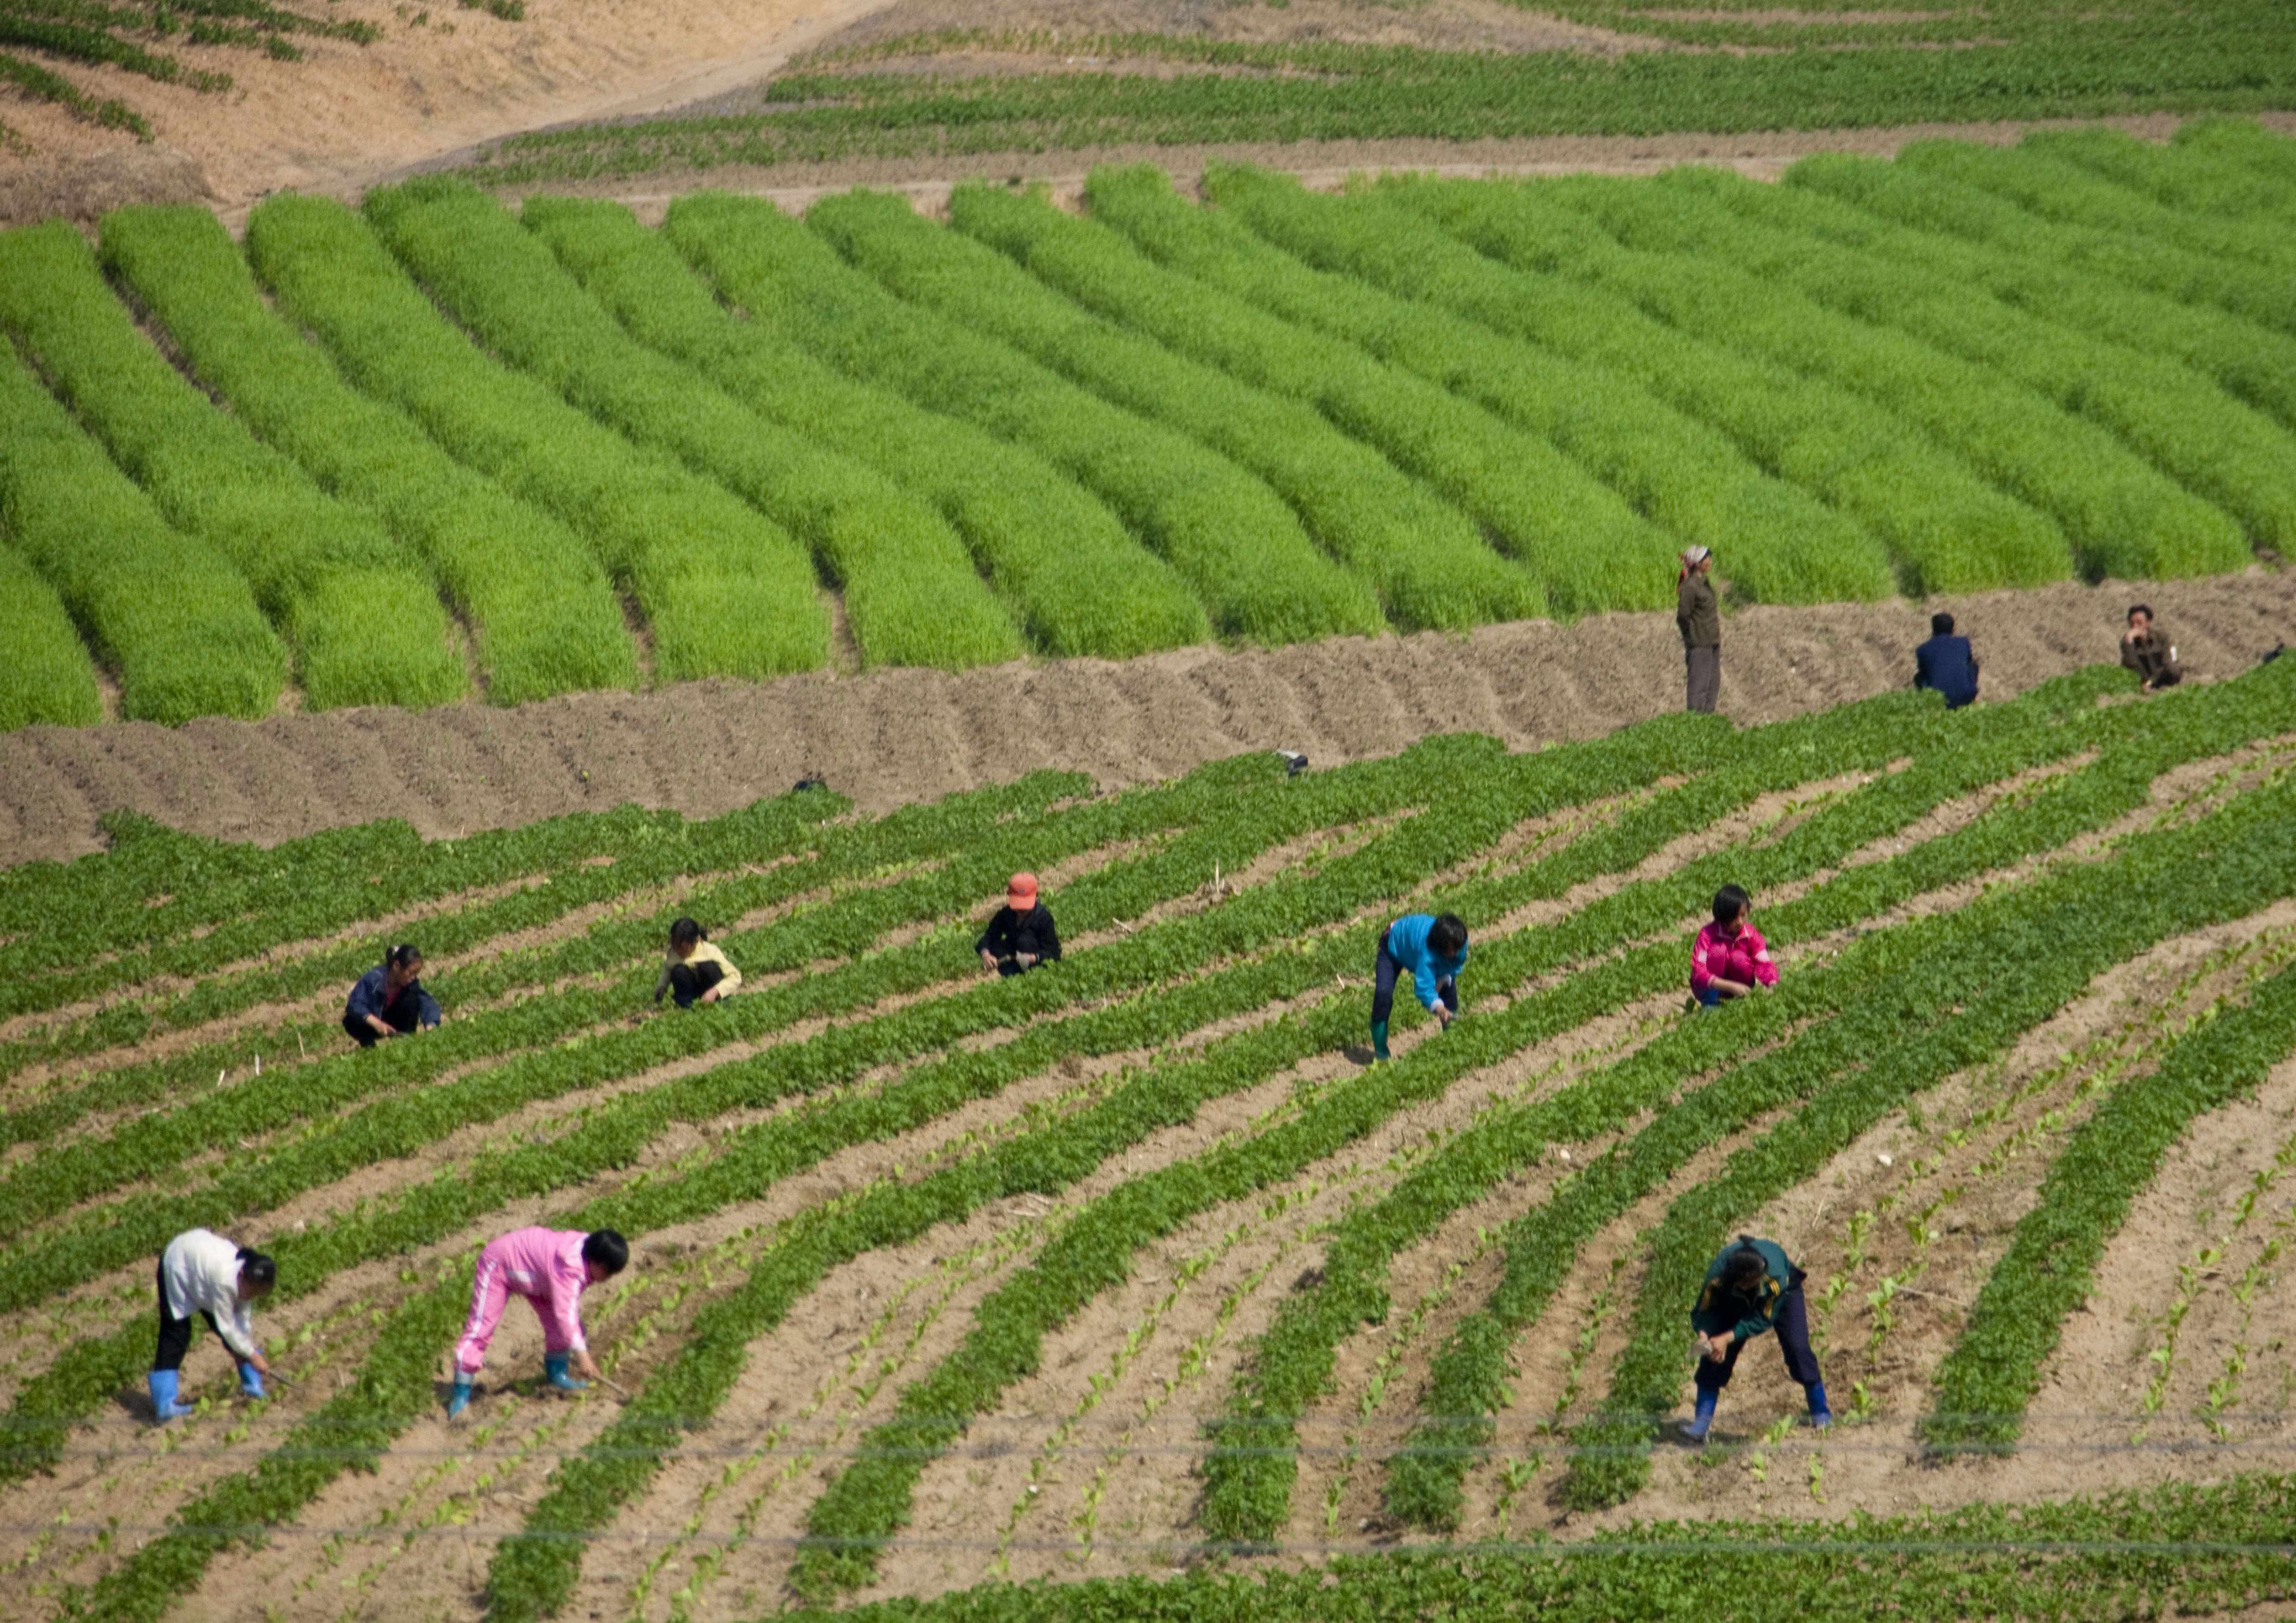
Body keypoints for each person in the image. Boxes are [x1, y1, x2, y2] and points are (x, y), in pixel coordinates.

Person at [448, 1227, 629, 1417]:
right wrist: (583, 1358)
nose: (609, 1279)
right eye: (609, 1273)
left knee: (560, 1328)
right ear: (596, 1263)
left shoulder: (586, 1252)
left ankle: (559, 1376)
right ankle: (461, 1393)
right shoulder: (570, 1269)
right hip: (500, 1263)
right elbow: (566, 1315)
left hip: (539, 1278)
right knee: (482, 1327)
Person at [1682, 1234, 1830, 1440]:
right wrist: (1705, 1337)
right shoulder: (1718, 1276)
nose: (1744, 1287)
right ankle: (1701, 1425)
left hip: (1782, 1297)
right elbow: (1705, 1309)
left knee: (1797, 1348)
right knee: (1713, 1356)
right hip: (1733, 1302)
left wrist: (1728, 1338)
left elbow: (1762, 1318)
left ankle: (1820, 1411)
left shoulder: (1776, 1277)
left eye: (1748, 1284)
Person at [150, 1228, 275, 1423]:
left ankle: (252, 1386)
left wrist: (248, 1349)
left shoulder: (247, 1280)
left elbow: (241, 1324)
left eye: (257, 1293)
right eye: (251, 1290)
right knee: (177, 1332)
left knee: (235, 1337)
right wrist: (253, 1355)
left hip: (202, 1271)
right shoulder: (225, 1280)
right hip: (179, 1264)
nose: (251, 1295)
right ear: (241, 1276)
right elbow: (227, 1327)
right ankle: (164, 1404)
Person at [1370, 912, 1468, 1062]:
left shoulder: (1460, 942)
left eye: (1458, 948)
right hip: (1393, 946)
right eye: (1452, 949)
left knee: (1448, 990)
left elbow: (1456, 965)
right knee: (1384, 992)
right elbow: (1424, 988)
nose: (1456, 953)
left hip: (1414, 948)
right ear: (1441, 947)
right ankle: (1381, 1051)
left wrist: (1443, 979)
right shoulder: (1428, 952)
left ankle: (1451, 1045)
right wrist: (1439, 1008)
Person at [1691, 885, 1777, 1009]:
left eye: (1743, 915)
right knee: (1718, 951)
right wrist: (1731, 987)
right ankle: (1711, 1003)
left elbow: (1764, 962)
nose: (1740, 922)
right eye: (1734, 917)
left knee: (1739, 958)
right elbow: (1699, 973)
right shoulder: (1707, 935)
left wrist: (1773, 983)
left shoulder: (1750, 934)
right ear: (1723, 917)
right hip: (1711, 989)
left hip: (1741, 988)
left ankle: (1741, 999)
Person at [344, 944, 440, 1047]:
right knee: (352, 1020)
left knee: (413, 999)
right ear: (397, 966)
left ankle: (407, 1041)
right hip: (373, 1022)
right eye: (411, 973)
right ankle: (368, 1044)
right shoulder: (375, 979)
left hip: (395, 1022)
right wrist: (376, 1023)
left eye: (416, 974)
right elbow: (355, 1004)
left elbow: (427, 1002)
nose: (413, 978)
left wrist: (431, 1025)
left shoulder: (411, 984)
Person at [977, 872, 1062, 977]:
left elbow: (1053, 953)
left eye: (1025, 905)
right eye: (1018, 904)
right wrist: (986, 955)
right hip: (1013, 963)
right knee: (996, 946)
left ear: (1036, 897)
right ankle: (1011, 977)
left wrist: (1033, 958)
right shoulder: (1006, 914)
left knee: (1026, 941)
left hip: (1037, 967)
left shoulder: (1043, 918)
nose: (1021, 910)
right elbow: (988, 938)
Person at [654, 917, 742, 1010]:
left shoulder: (710, 951)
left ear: (695, 942)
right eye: (674, 945)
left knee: (708, 967)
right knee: (678, 971)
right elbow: (667, 971)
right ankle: (687, 1007)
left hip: (711, 989)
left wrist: (715, 991)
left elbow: (735, 977)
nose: (677, 950)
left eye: (682, 947)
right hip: (690, 992)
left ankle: (716, 1005)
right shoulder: (673, 953)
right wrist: (662, 986)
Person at [1676, 545, 1721, 715]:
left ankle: (1708, 721)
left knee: (1712, 685)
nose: (1709, 562)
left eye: (1709, 558)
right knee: (1699, 686)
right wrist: (1692, 636)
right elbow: (1683, 616)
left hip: (1713, 641)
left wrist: (1718, 638)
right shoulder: (1691, 587)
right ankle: (1695, 724)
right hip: (1699, 643)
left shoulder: (1704, 583)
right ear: (1696, 564)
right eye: (1705, 559)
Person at [1913, 611, 1980, 709]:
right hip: (1966, 696)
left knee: (1919, 677)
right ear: (1953, 629)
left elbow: (1924, 672)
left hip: (1938, 699)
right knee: (1972, 666)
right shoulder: (1963, 642)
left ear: (1933, 629)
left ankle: (1929, 704)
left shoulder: (1923, 649)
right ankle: (1970, 694)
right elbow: (1969, 662)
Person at [2122, 604, 2181, 693]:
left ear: (2148, 622)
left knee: (2173, 668)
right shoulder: (2127, 641)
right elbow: (2131, 665)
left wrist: (2151, 682)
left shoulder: (2160, 637)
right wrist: (2129, 642)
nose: (2135, 626)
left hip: (2160, 677)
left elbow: (2167, 662)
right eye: (2132, 623)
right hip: (2142, 678)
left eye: (2139, 622)